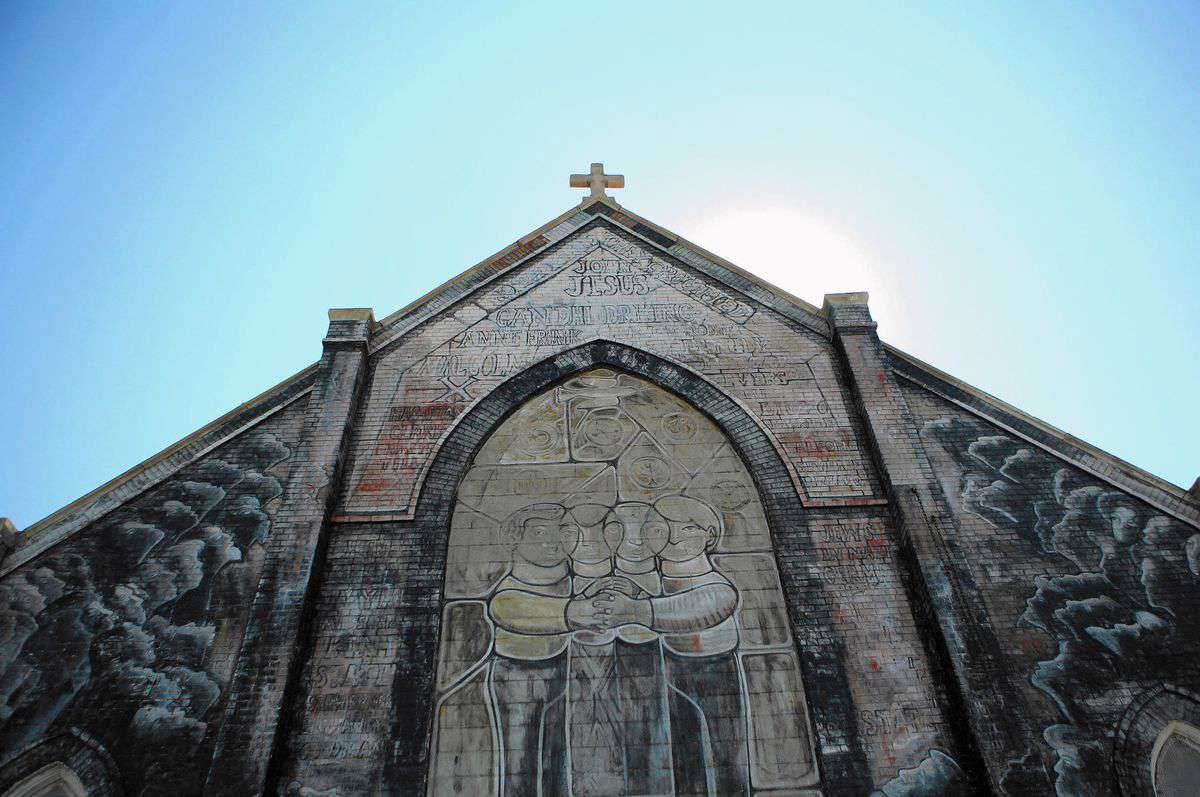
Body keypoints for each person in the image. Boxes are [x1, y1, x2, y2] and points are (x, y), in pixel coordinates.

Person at [598, 496, 747, 795]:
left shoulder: (715, 583)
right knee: (684, 756)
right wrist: (633, 596)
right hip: (670, 667)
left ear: (710, 535)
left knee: (725, 755)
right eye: (663, 528)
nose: (675, 537)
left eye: (689, 528)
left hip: (715, 670)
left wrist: (636, 609)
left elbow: (709, 603)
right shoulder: (656, 583)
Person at [486, 502, 608, 796]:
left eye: (562, 531)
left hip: (565, 670)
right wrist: (573, 612)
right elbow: (507, 607)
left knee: (559, 756)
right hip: (519, 674)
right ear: (515, 538)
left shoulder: (572, 583)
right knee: (520, 759)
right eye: (540, 532)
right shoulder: (510, 589)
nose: (554, 542)